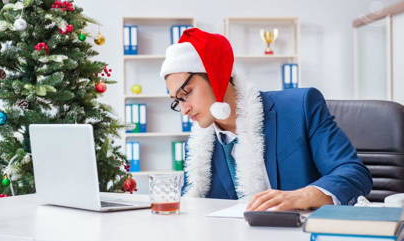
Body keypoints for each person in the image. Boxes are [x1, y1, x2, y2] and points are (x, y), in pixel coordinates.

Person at [159, 28, 373, 211]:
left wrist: (301, 196)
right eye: (177, 101)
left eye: (186, 93)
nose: (184, 110)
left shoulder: (300, 107)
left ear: (216, 76)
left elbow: (353, 173)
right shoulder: (199, 148)